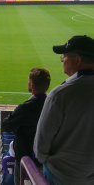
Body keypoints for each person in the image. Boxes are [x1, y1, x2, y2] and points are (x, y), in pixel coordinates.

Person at [34, 35, 94, 185]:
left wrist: (43, 160)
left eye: (65, 56)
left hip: (61, 175)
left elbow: (41, 144)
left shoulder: (60, 94)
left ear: (77, 60)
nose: (62, 60)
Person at [1, 68, 51, 185]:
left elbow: (6, 125)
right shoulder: (54, 105)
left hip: (27, 162)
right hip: (48, 164)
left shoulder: (26, 108)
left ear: (32, 84)